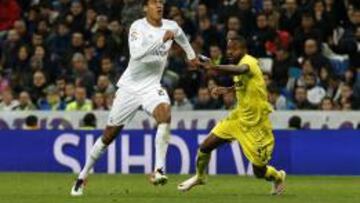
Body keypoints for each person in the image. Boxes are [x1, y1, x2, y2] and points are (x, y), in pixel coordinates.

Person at [71, 0, 199, 196]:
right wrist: (162, 40)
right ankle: (82, 176)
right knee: (108, 136)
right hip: (129, 88)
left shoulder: (171, 26)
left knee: (165, 114)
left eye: (161, 3)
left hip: (152, 87)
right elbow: (137, 53)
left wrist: (191, 56)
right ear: (145, 7)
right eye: (154, 2)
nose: (159, 6)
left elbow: (180, 36)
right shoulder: (138, 27)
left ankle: (159, 170)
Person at [178, 35, 286, 195]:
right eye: (228, 49)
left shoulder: (248, 62)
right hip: (238, 118)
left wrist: (213, 67)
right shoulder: (237, 67)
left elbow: (242, 70)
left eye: (234, 49)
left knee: (259, 171)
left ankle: (278, 176)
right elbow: (243, 84)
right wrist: (227, 89)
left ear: (243, 50)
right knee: (205, 146)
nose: (230, 52)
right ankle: (200, 176)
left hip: (255, 126)